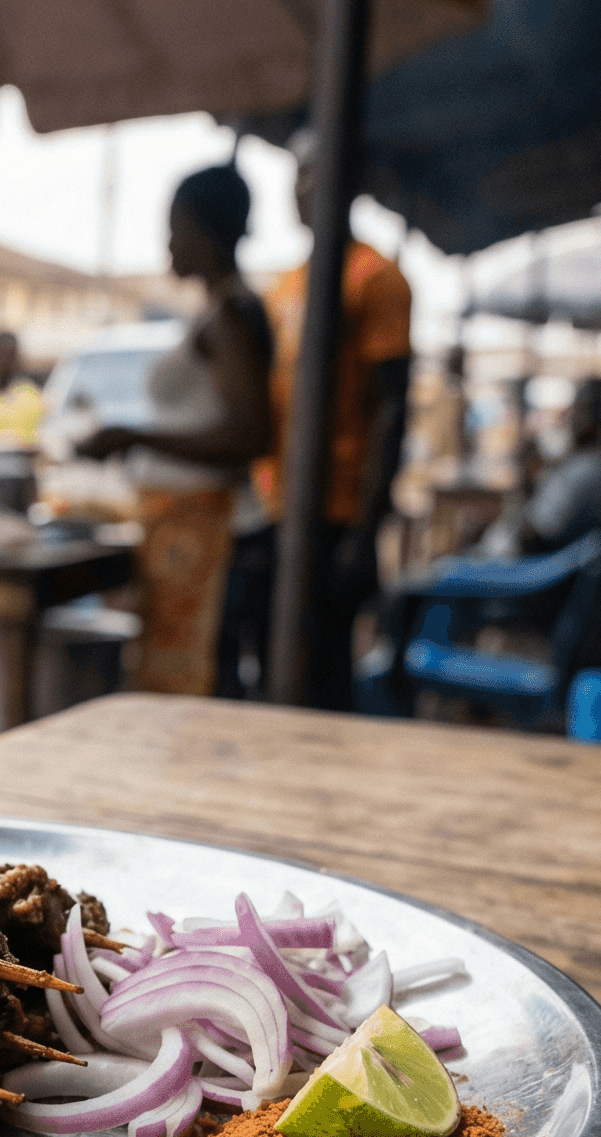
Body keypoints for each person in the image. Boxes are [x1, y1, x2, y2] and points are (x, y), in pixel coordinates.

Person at [75, 163, 279, 696]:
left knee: (202, 687)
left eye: (175, 228)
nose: (168, 243)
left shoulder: (230, 314)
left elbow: (249, 436)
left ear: (205, 231)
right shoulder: (219, 311)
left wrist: (135, 436)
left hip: (212, 532)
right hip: (189, 528)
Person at [254, 128, 414, 708]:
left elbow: (392, 408)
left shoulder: (376, 278)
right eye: (296, 177)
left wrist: (367, 527)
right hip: (278, 504)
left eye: (314, 175)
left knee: (323, 673)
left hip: (338, 511)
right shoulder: (286, 284)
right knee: (274, 662)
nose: (302, 191)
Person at [475, 377, 601, 560]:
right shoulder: (593, 462)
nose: (571, 419)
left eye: (578, 411)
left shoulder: (584, 468)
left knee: (447, 570)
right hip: (538, 557)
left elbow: (534, 534)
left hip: (526, 565)